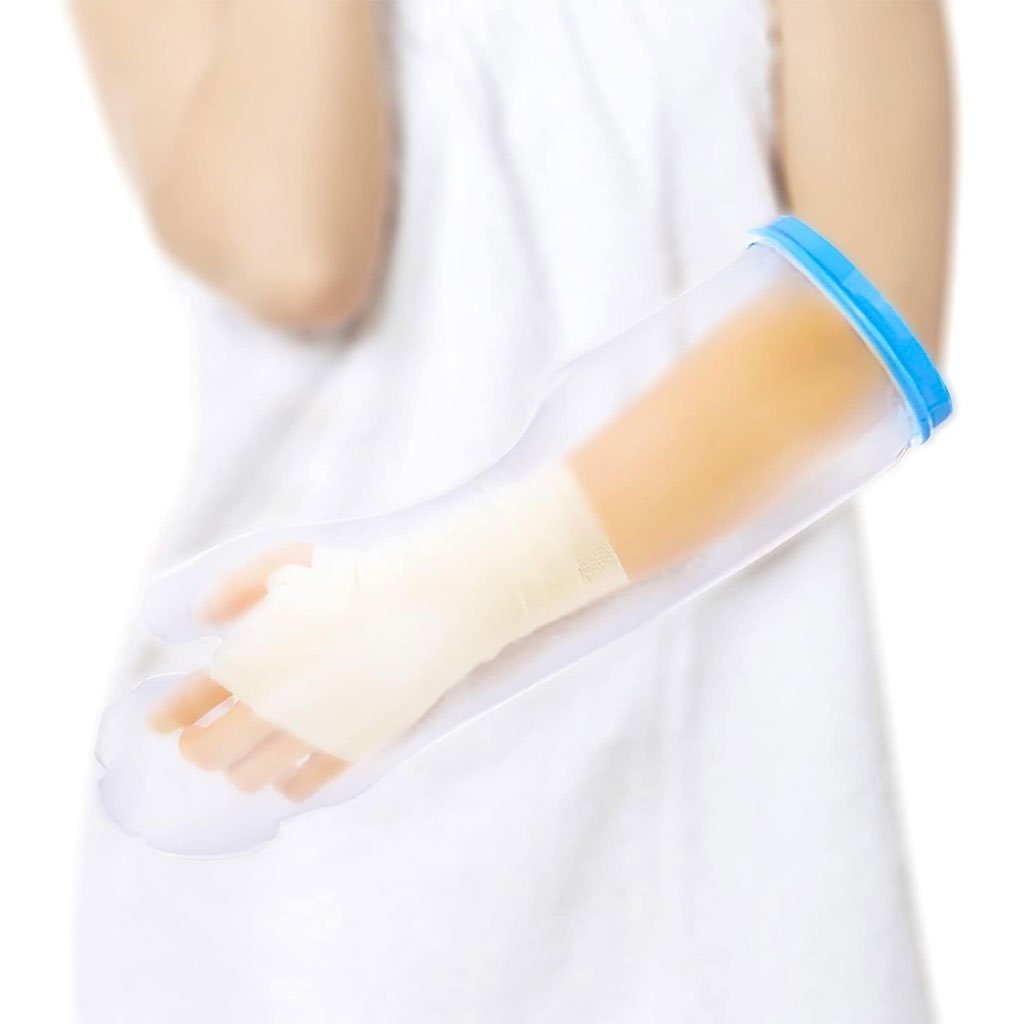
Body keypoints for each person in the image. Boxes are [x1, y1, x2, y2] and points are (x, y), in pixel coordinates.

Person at [72, 1, 953, 1020]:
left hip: (722, 820)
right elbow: (296, 255)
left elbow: (868, 333)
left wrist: (467, 586)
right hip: (317, 851)